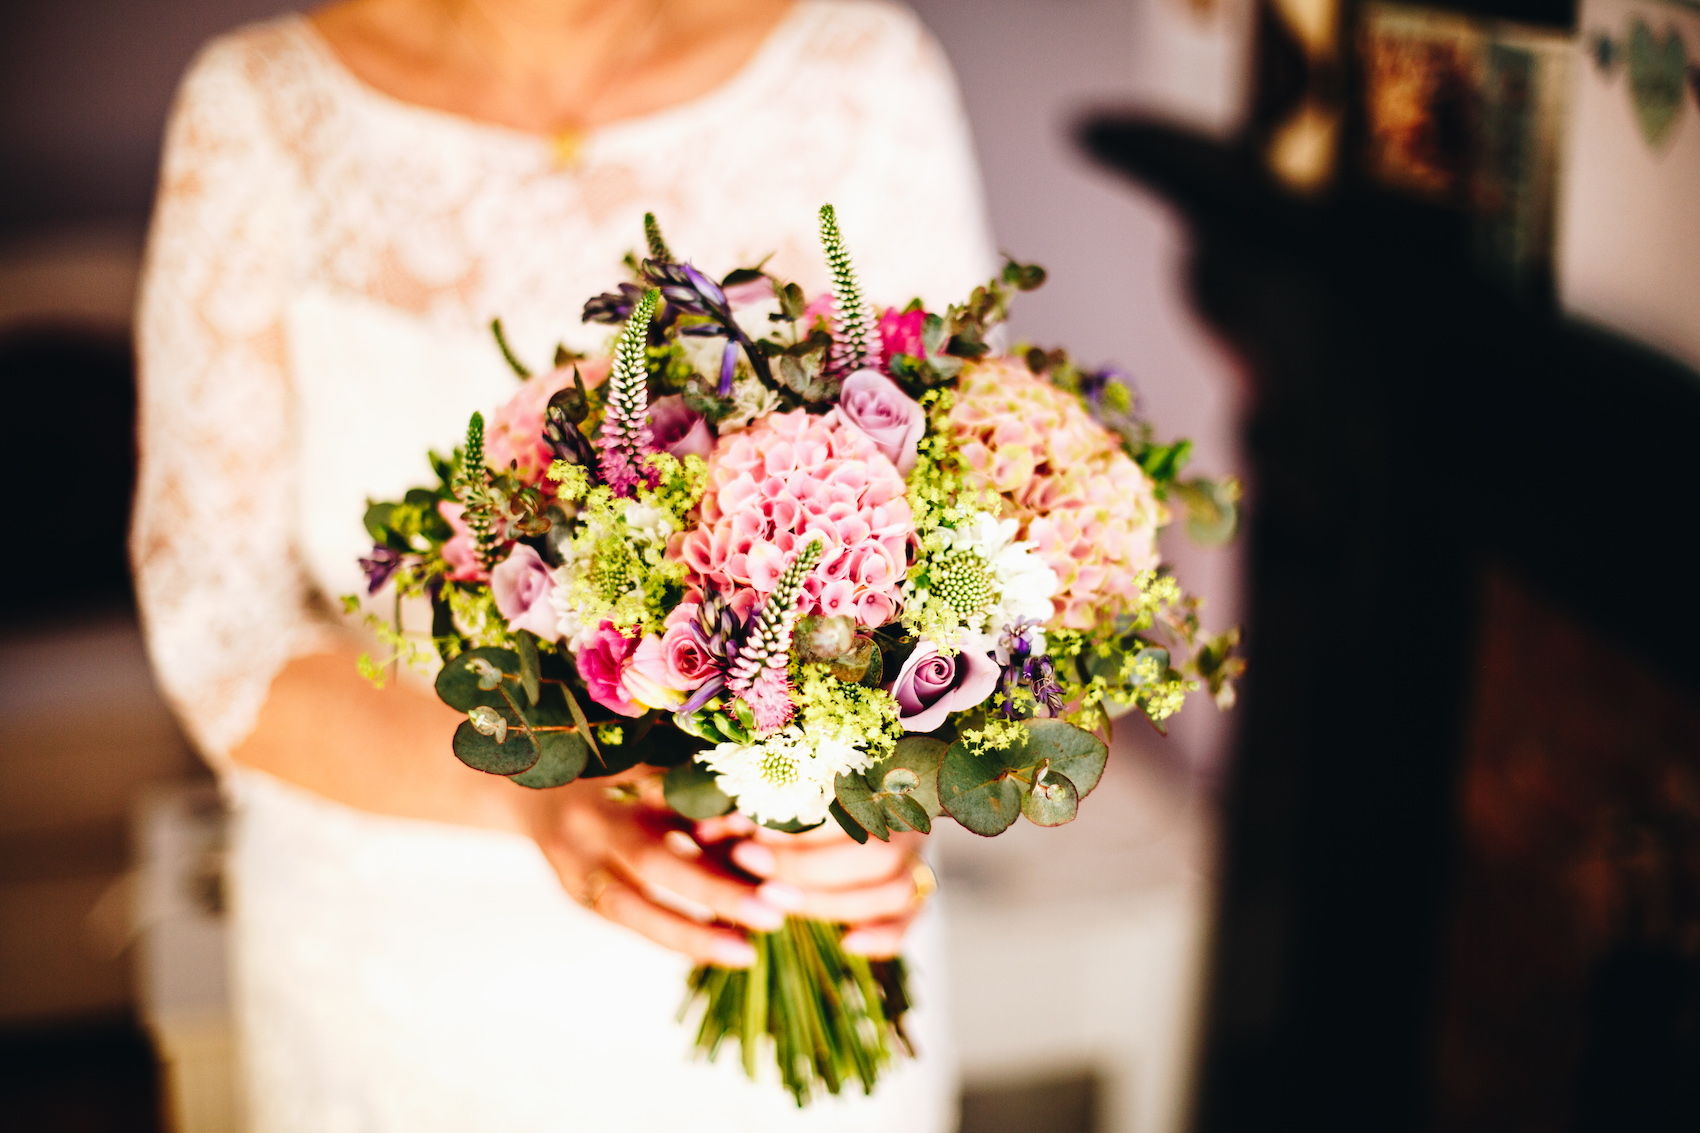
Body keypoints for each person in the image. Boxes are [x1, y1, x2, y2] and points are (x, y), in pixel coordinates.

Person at [131, 0, 994, 1128]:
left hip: (781, 927)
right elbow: (219, 634)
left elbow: (971, 529)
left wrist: (885, 804)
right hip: (409, 978)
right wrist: (533, 790)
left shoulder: (860, 74)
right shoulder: (257, 114)